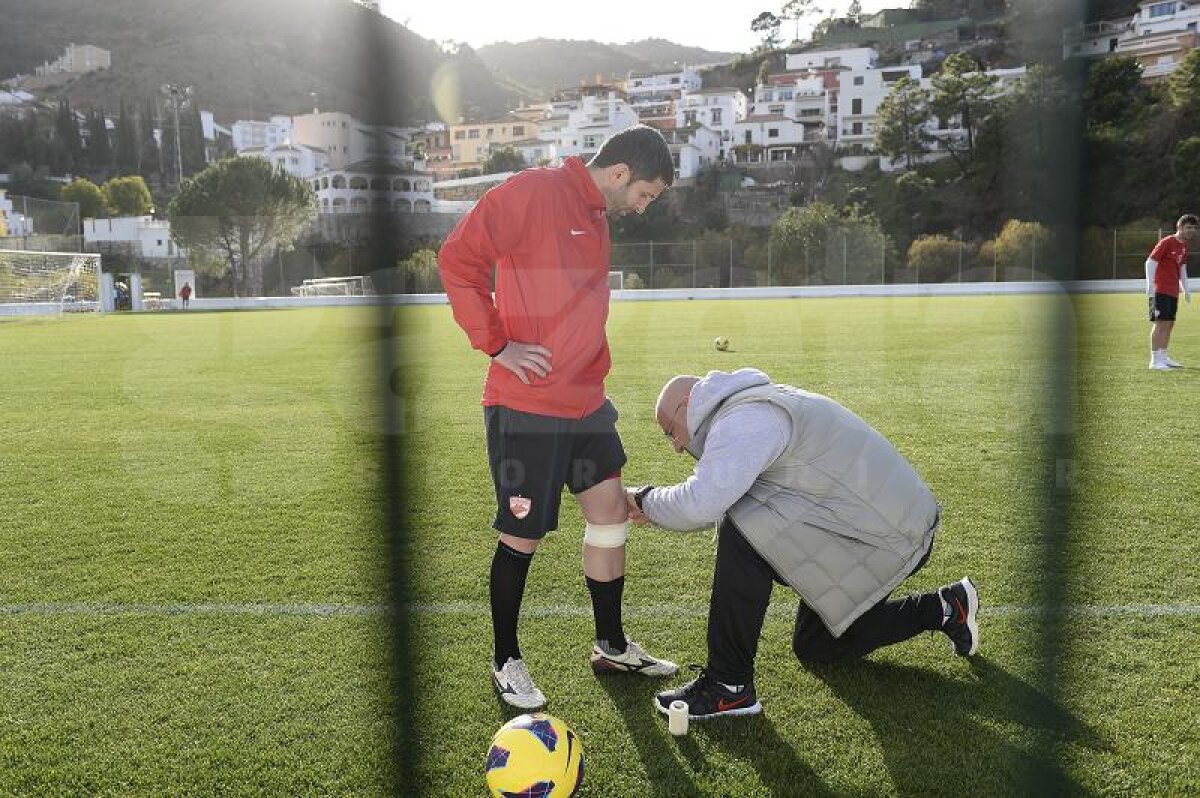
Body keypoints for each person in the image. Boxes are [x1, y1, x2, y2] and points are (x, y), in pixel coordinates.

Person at [437, 125, 679, 709]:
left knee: (609, 514)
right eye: (645, 194)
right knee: (522, 535)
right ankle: (505, 660)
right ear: (620, 172)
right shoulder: (534, 192)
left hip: (587, 401)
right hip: (526, 406)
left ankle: (611, 644)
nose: (642, 207)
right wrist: (497, 346)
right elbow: (458, 259)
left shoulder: (596, 214)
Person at [626, 368, 979, 721]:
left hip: (887, 533)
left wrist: (644, 500)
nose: (675, 446)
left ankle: (728, 687)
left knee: (742, 531)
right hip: (873, 524)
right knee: (815, 645)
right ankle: (947, 608)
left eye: (670, 431)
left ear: (687, 405)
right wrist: (654, 510)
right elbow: (720, 497)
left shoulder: (745, 418)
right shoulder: (747, 407)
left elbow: (703, 502)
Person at [1146, 214, 1196, 370]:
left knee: (1169, 323)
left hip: (1173, 291)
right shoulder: (1167, 242)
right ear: (1179, 227)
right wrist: (1150, 286)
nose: (1192, 230)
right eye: (1188, 227)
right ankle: (1154, 361)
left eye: (1194, 228)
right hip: (1159, 290)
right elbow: (1150, 262)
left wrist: (1186, 288)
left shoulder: (1183, 246)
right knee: (1160, 323)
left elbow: (1182, 269)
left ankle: (1163, 356)